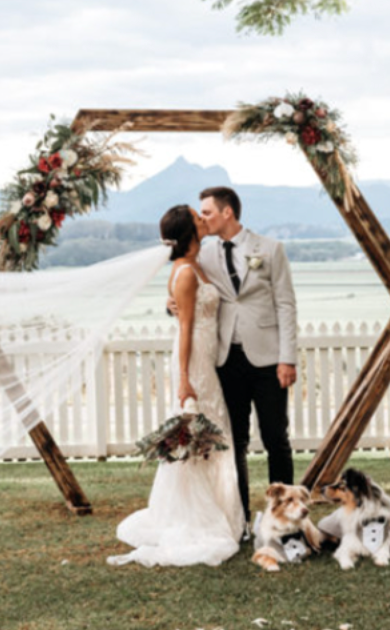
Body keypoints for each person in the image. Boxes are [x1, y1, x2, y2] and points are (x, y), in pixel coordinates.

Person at [107, 205, 246, 567]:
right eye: (198, 218)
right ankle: (194, 519)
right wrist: (185, 378)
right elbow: (185, 327)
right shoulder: (185, 272)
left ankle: (219, 511)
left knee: (215, 438)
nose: (203, 220)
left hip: (205, 357)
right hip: (194, 360)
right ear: (189, 231)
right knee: (202, 436)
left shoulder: (198, 263)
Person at [197, 186, 298, 527]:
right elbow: (195, 295)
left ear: (228, 212)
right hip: (226, 359)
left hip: (269, 359)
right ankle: (239, 518)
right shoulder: (205, 255)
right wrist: (172, 307)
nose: (203, 218)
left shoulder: (269, 249)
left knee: (275, 438)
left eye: (207, 212)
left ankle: (283, 517)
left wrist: (288, 358)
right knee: (234, 441)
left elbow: (286, 304)